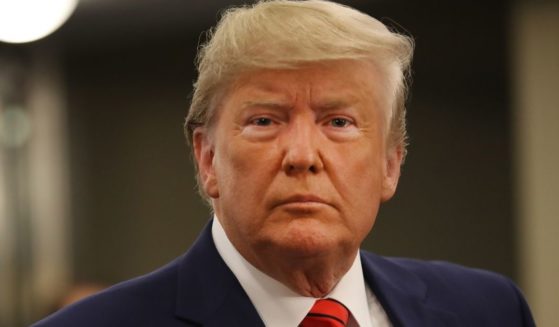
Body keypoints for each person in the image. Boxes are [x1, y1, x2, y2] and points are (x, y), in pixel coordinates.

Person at [33, 0, 535, 326]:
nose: (302, 156)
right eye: (265, 121)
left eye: (338, 122)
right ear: (208, 159)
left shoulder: (489, 310)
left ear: (390, 164)